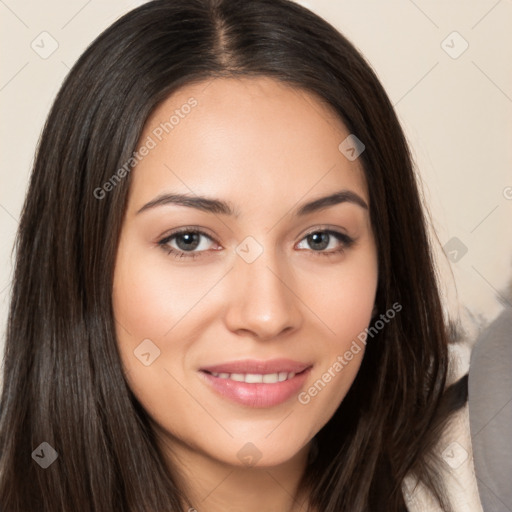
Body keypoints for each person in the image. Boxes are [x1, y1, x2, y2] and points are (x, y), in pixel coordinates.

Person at [0, 0, 475, 510]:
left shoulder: (483, 454)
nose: (267, 315)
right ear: (80, 264)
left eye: (320, 239)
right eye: (189, 240)